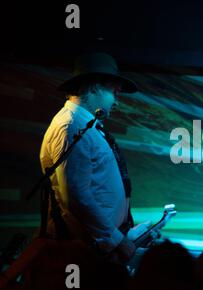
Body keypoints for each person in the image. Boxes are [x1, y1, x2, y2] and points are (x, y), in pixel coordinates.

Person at [39, 52, 138, 262]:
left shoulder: (85, 125)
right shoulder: (70, 126)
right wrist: (116, 239)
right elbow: (75, 195)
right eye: (114, 91)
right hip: (83, 250)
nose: (117, 101)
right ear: (94, 87)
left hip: (96, 246)